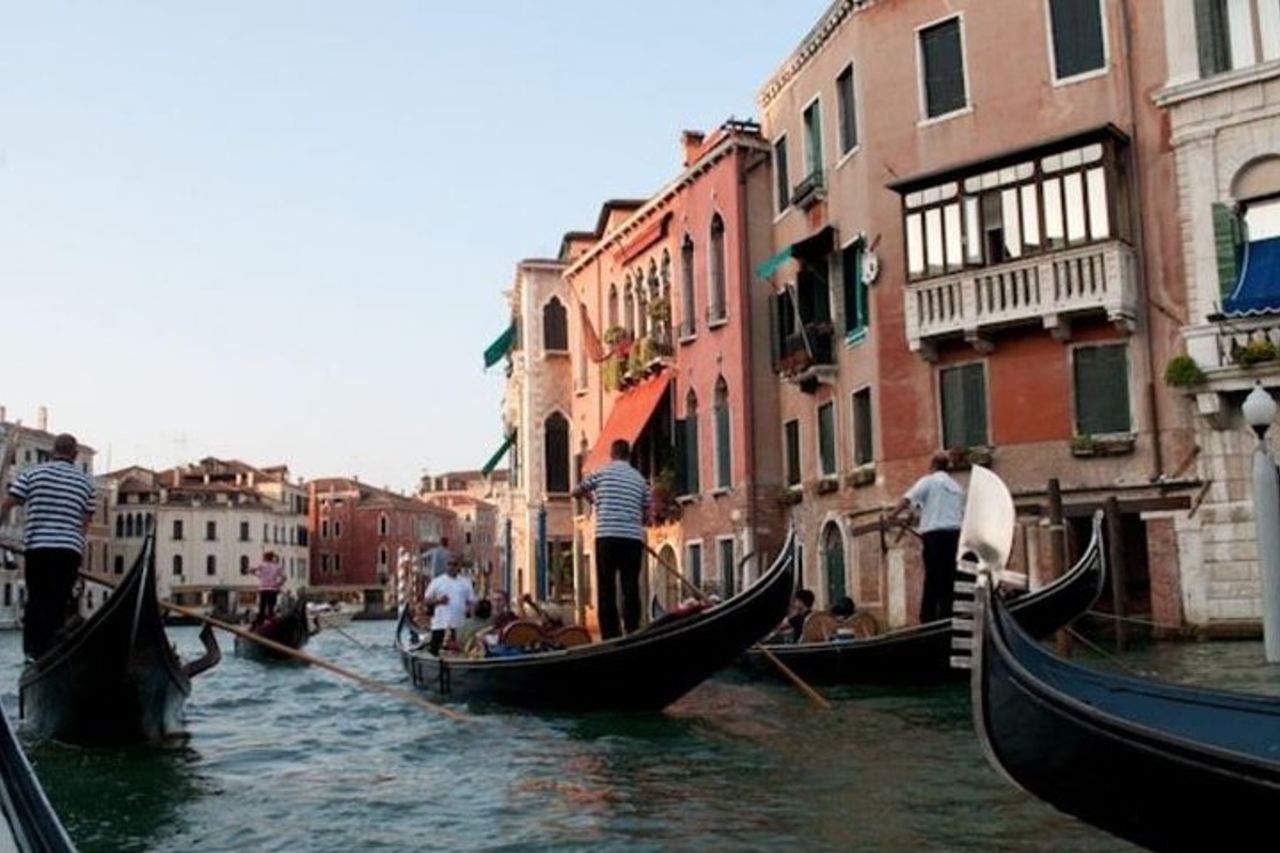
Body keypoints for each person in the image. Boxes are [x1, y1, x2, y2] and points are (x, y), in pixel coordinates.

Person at [0, 433, 97, 660]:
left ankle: (32, 654)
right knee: (59, 602)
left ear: (53, 451)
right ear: (75, 455)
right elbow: (84, 524)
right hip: (69, 551)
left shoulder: (32, 474)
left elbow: (8, 504)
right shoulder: (86, 484)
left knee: (36, 600)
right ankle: (52, 653)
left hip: (38, 548)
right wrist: (78, 551)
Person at [570, 439, 651, 640]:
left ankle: (610, 633)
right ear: (629, 455)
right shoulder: (640, 480)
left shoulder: (602, 473)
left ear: (612, 454)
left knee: (606, 587)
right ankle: (632, 630)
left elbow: (576, 491)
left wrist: (593, 500)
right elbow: (647, 514)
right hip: (632, 538)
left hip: (607, 537)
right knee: (630, 586)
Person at [889, 451, 966, 624]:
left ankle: (928, 620)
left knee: (932, 577)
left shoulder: (929, 481)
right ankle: (947, 617)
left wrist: (892, 515)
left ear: (933, 466)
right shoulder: (957, 487)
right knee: (949, 577)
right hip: (955, 536)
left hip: (935, 536)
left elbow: (907, 499)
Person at [421, 557, 477, 656]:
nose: (452, 567)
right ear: (446, 566)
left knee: (459, 651)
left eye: (455, 564)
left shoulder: (466, 582)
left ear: (459, 566)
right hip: (440, 624)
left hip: (459, 624)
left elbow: (472, 602)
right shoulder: (437, 581)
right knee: (435, 652)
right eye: (449, 564)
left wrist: (472, 621)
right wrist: (439, 601)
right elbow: (426, 600)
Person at [251, 550, 286, 621]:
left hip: (263, 588)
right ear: (272, 557)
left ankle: (260, 620)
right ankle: (270, 619)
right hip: (272, 589)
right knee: (271, 606)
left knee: (262, 606)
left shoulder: (262, 565)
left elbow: (252, 570)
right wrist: (279, 584)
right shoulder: (277, 566)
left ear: (265, 557)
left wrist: (255, 573)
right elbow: (284, 577)